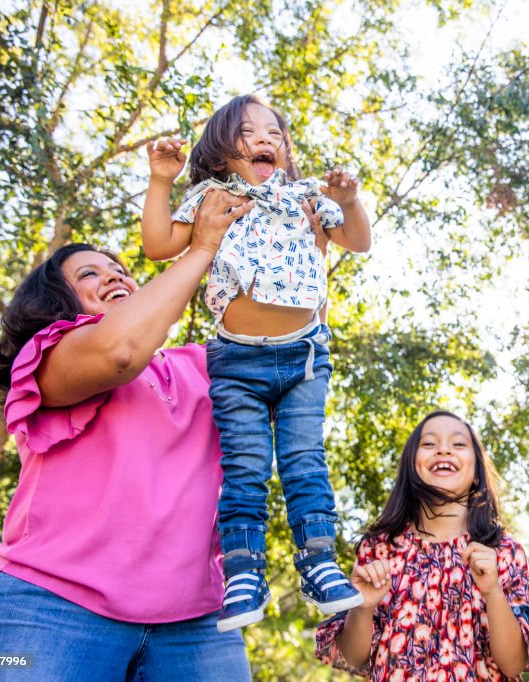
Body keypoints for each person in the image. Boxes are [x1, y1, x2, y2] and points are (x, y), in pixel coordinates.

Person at [0, 190, 254, 681]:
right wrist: (202, 248)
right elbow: (119, 350)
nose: (113, 274)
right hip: (44, 610)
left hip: (195, 626)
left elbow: (288, 361)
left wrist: (307, 248)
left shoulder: (197, 366)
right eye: (88, 274)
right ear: (58, 301)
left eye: (117, 268)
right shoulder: (48, 355)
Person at [141, 93, 372, 631]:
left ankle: (318, 561)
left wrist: (349, 199)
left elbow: (356, 243)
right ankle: (243, 571)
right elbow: (157, 245)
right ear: (222, 149)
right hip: (235, 361)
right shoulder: (210, 197)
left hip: (304, 356)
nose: (266, 138)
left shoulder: (306, 194)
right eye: (249, 132)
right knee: (244, 470)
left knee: (303, 462)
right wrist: (160, 181)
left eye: (275, 131)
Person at [314, 411, 529, 681]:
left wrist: (493, 592)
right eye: (429, 444)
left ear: (477, 471)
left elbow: (512, 665)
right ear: (411, 466)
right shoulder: (379, 548)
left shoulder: (504, 552)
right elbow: (353, 658)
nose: (443, 450)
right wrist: (363, 607)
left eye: (458, 444)